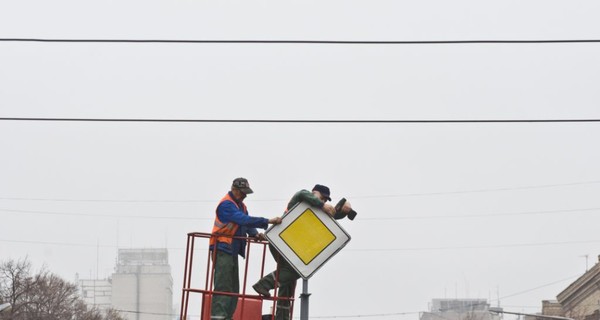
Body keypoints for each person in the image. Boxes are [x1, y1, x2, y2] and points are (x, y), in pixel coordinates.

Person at [252, 184, 352, 320]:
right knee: (293, 271)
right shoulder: (302, 199)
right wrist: (322, 206)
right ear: (315, 193)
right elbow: (302, 193)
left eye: (325, 201)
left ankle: (282, 316)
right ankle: (265, 283)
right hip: (281, 242)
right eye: (322, 198)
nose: (323, 202)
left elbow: (330, 216)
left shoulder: (315, 208)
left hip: (291, 247)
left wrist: (344, 211)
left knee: (288, 279)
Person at [210, 177, 282, 320]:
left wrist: (256, 234)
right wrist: (267, 221)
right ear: (234, 190)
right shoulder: (226, 205)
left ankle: (227, 317)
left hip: (232, 251)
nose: (245, 195)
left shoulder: (241, 206)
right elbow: (242, 219)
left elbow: (247, 224)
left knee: (233, 289)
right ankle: (218, 318)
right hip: (222, 248)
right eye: (242, 192)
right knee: (223, 287)